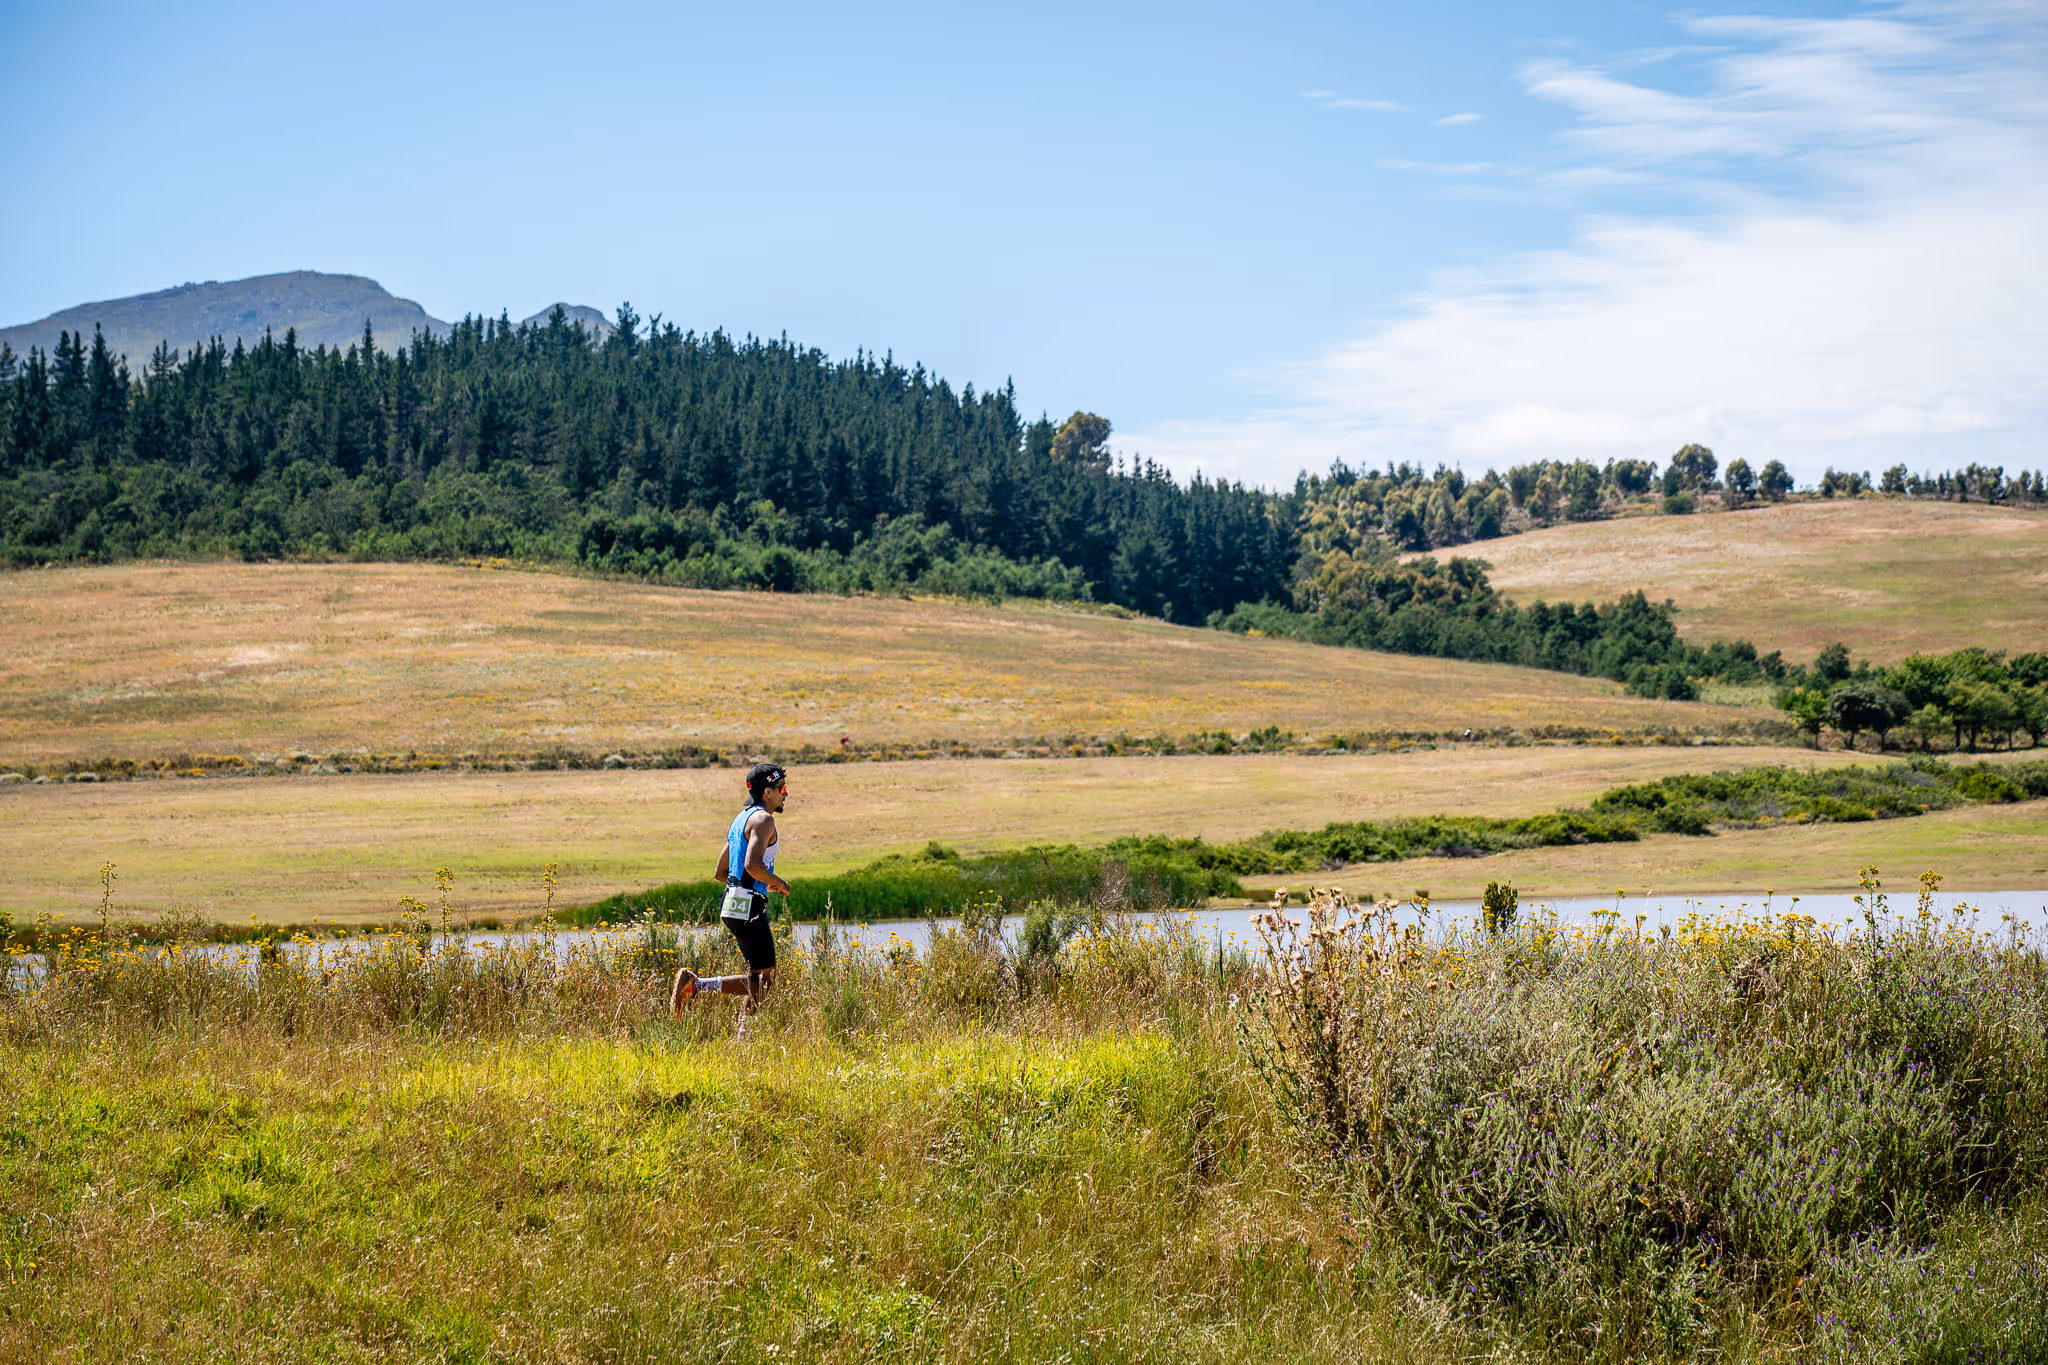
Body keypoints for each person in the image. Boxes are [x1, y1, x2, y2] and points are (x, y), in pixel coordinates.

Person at [671, 763, 790, 1017]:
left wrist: (757, 881)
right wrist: (777, 882)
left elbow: (720, 872)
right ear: (768, 793)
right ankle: (697, 985)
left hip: (731, 903)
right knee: (765, 979)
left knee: (756, 977)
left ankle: (744, 1035)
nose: (785, 794)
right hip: (750, 904)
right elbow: (752, 864)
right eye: (782, 788)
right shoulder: (764, 819)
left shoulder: (740, 819)